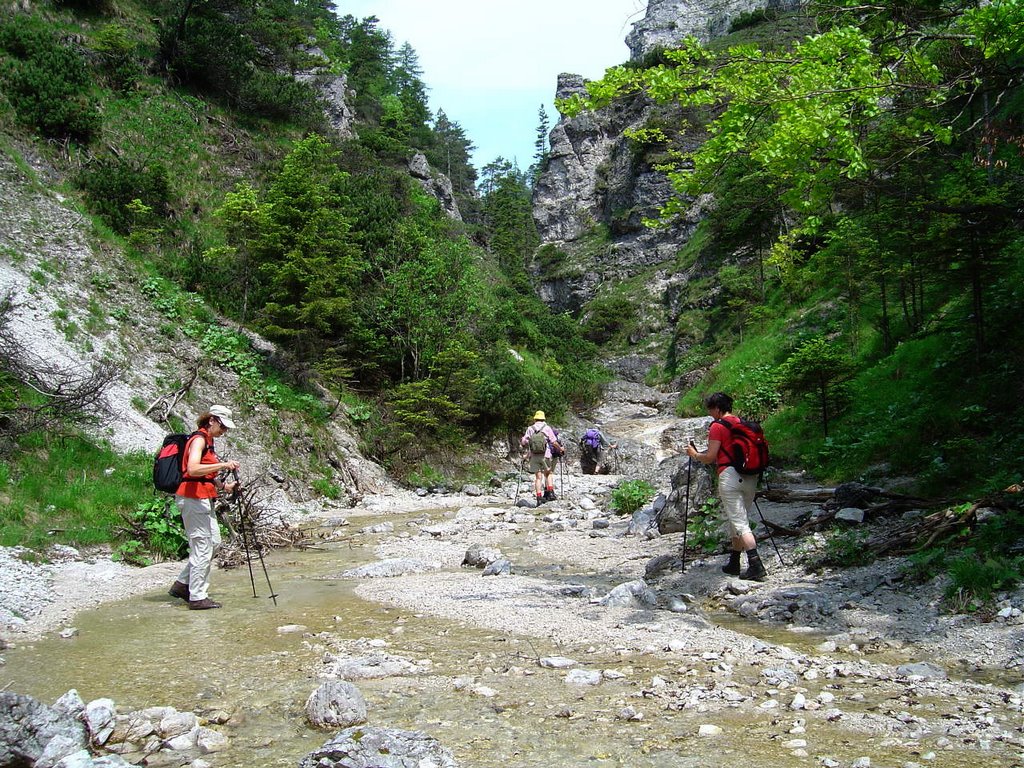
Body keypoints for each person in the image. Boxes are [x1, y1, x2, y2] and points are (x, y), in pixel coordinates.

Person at [685, 392, 767, 581]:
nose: (710, 414)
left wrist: (694, 454)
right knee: (737, 519)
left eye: (711, 410)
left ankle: (756, 564)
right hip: (750, 476)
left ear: (717, 408)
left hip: (730, 476)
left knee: (740, 523)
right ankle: (734, 561)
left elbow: (710, 457)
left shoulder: (718, 426)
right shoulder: (742, 423)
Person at [168, 405, 241, 609]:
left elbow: (204, 474)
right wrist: (223, 465)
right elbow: (192, 468)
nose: (224, 431)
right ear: (212, 420)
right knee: (202, 547)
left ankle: (182, 584)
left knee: (214, 542)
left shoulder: (208, 441)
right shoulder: (199, 439)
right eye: (223, 426)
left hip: (202, 498)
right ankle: (198, 597)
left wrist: (224, 486)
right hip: (192, 498)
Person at [520, 410, 563, 505]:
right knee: (548, 474)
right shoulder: (547, 428)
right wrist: (560, 449)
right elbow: (554, 442)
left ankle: (539, 497)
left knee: (538, 477)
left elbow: (524, 442)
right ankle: (551, 493)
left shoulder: (530, 428)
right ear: (543, 418)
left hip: (534, 455)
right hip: (545, 455)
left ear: (535, 418)